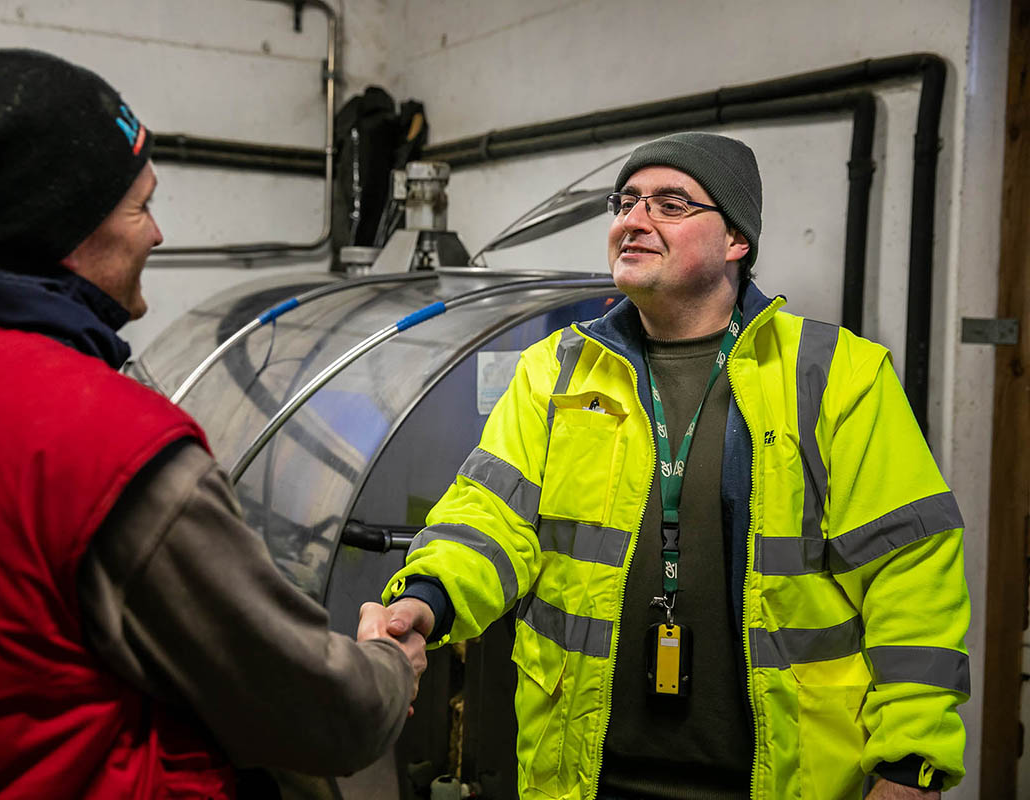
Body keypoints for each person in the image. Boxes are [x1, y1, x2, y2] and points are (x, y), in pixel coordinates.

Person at [0, 48, 425, 799]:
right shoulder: (118, 449)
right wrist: (382, 668)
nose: (158, 235)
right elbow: (317, 715)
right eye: (141, 207)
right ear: (67, 235)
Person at [362, 132, 969, 799]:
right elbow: (487, 521)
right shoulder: (555, 373)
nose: (633, 220)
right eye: (626, 202)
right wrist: (423, 602)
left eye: (670, 204)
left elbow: (911, 576)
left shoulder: (837, 377)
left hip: (786, 779)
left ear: (736, 240)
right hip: (585, 775)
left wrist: (911, 763)